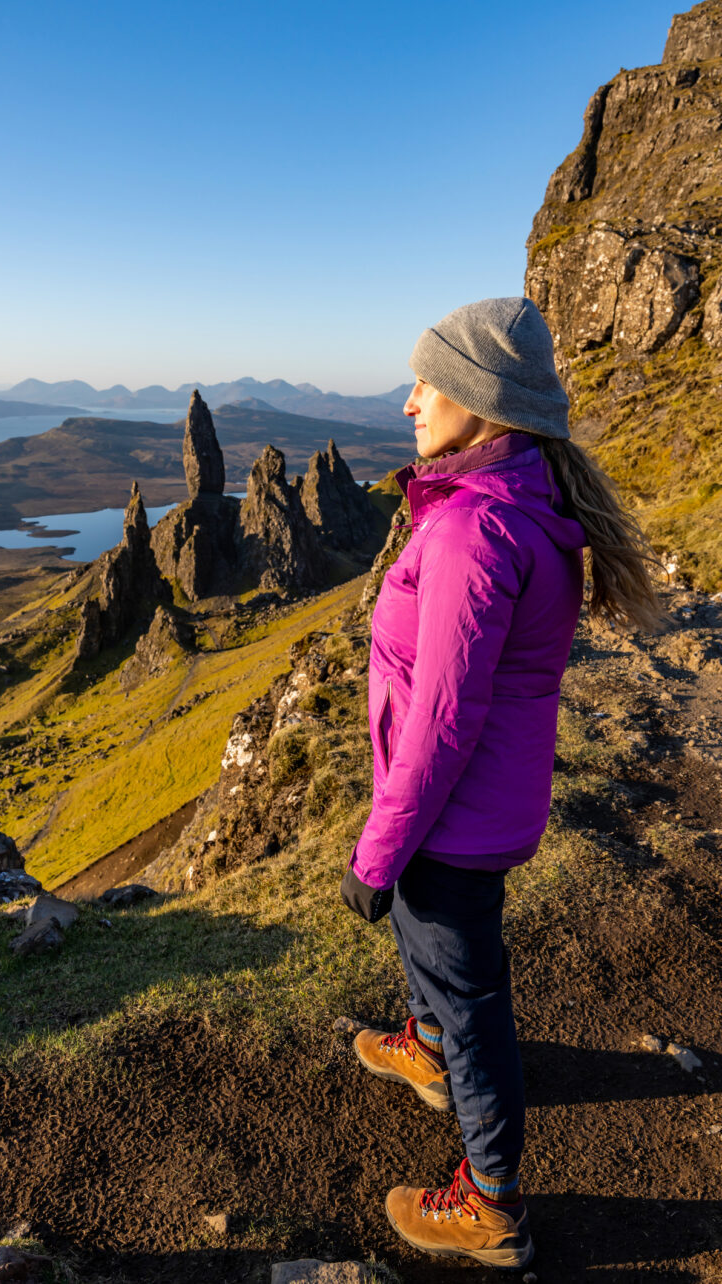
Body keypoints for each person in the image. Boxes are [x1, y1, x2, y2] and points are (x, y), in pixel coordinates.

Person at [340, 297, 663, 1270]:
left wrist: (376, 852)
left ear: (479, 402)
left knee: (472, 998)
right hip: (479, 809)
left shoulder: (471, 535)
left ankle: (489, 1203)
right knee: (445, 963)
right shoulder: (520, 503)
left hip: (446, 818)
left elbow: (441, 725)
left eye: (425, 384)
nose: (408, 404)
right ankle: (425, 1045)